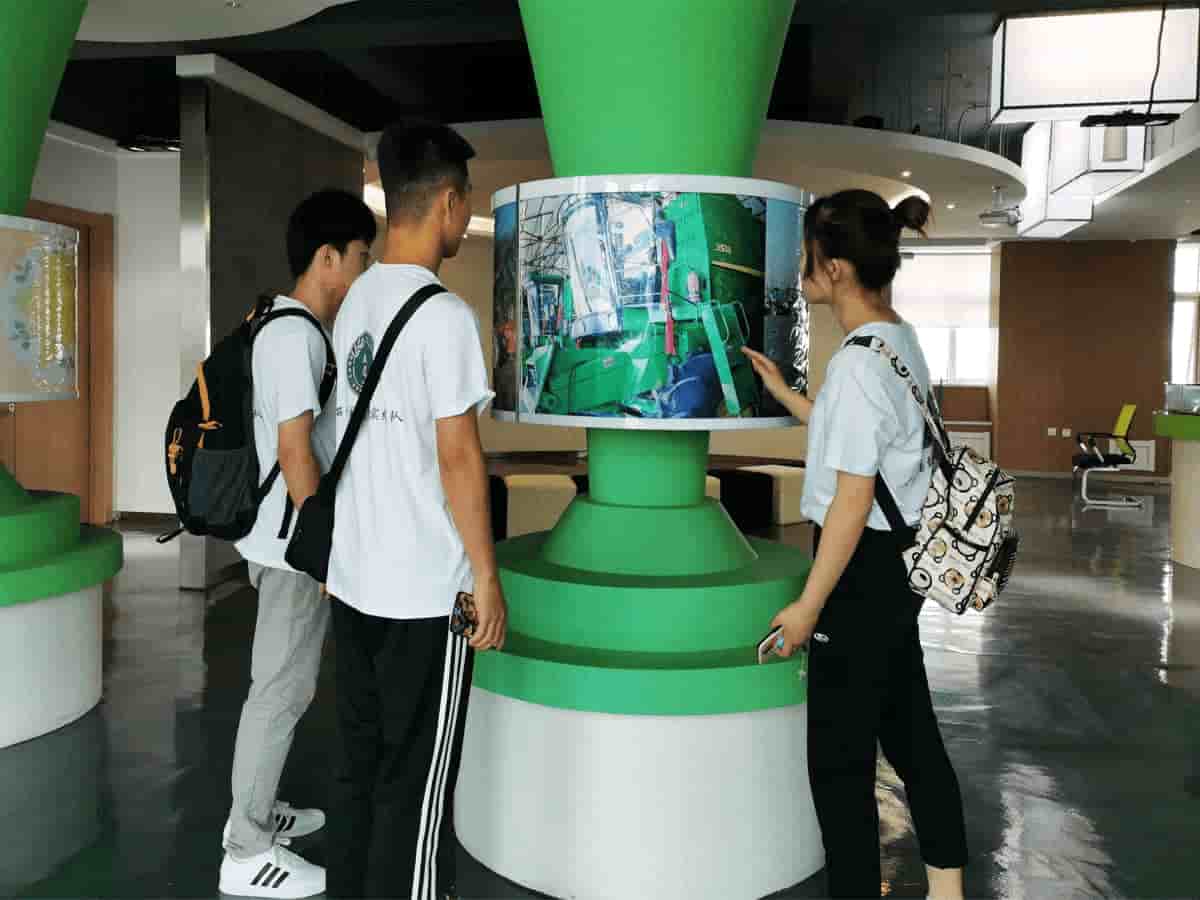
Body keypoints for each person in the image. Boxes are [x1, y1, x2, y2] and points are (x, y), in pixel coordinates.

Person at [743, 190, 967, 900]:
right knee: (912, 738)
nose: (801, 271)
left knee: (839, 767)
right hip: (900, 566)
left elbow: (851, 498)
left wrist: (809, 607)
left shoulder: (856, 364)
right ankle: (949, 891)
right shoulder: (896, 341)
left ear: (835, 267)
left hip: (860, 573)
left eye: (808, 257)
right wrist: (788, 396)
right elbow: (864, 439)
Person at [324, 120, 507, 900]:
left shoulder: (356, 300)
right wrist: (487, 578)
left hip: (354, 581)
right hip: (426, 594)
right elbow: (458, 457)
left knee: (360, 767)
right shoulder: (443, 316)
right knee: (419, 784)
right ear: (448, 203)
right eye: (465, 205)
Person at [220, 189, 377, 898]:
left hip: (283, 542)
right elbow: (294, 452)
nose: (363, 270)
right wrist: (322, 549)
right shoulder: (294, 335)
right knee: (280, 691)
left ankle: (258, 809)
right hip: (290, 549)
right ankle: (246, 848)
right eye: (360, 256)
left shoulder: (292, 328)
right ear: (327, 257)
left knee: (285, 685)